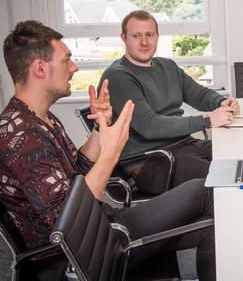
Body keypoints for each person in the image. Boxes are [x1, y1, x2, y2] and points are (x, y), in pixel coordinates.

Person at [0, 21, 216, 280]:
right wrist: (111, 154)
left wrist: (101, 130)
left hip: (100, 226)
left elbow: (76, 173)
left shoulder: (39, 118)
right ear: (39, 68)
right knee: (204, 191)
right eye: (66, 60)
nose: (74, 67)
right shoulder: (21, 135)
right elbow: (67, 222)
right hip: (83, 251)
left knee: (210, 229)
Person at [100, 10, 239, 194]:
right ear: (123, 38)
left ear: (157, 36)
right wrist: (207, 121)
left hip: (184, 146)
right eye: (136, 36)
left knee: (240, 158)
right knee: (226, 178)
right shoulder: (118, 76)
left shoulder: (168, 66)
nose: (144, 42)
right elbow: (150, 126)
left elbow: (199, 95)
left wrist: (221, 102)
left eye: (149, 35)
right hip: (150, 163)